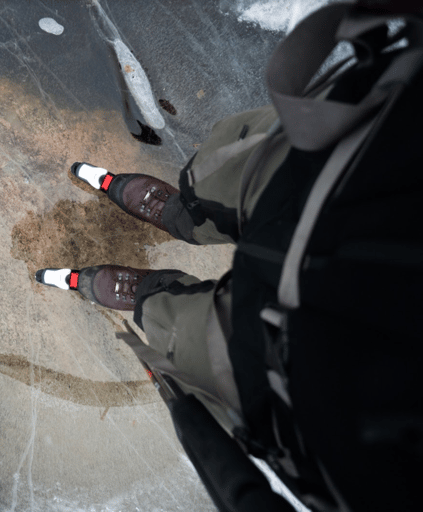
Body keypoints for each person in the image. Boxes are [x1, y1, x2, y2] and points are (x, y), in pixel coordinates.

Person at [36, 3, 423, 511]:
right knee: (223, 179)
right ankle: (181, 212)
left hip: (314, 391)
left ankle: (145, 294)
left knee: (181, 331)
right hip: (367, 161)